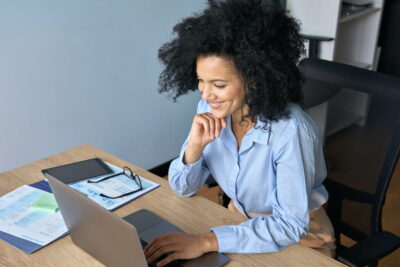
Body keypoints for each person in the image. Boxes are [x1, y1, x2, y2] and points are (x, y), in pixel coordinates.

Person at [144, 0, 335, 266]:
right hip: (238, 222)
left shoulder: (291, 131)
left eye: (218, 84)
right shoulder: (210, 110)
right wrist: (195, 148)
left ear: (254, 79)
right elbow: (181, 188)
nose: (206, 93)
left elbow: (290, 225)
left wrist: (207, 241)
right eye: (201, 80)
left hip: (301, 239)